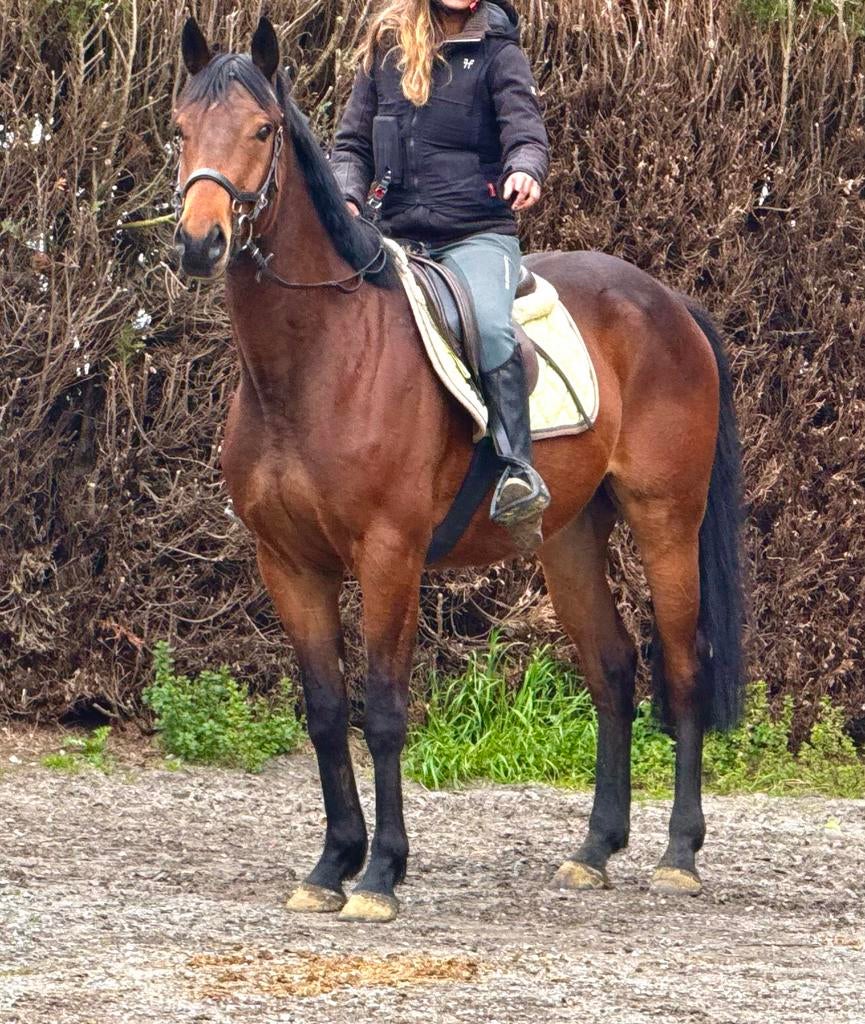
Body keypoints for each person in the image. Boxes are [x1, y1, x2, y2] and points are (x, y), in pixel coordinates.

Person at [331, 0, 551, 547]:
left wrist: (525, 168)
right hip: (393, 235)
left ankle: (516, 470)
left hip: (475, 232)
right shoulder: (384, 45)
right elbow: (351, 145)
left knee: (492, 326)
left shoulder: (498, 49)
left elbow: (525, 131)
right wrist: (347, 196)